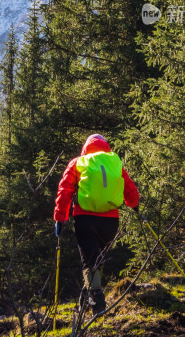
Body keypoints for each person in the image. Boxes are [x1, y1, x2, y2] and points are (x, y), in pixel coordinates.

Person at [53, 134, 139, 314]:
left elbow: (65, 190)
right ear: (105, 146)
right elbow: (128, 186)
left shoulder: (78, 162)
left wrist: (60, 218)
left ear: (86, 147)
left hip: (85, 219)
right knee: (96, 259)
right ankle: (85, 301)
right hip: (110, 221)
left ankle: (98, 303)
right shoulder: (114, 162)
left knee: (90, 261)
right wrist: (134, 204)